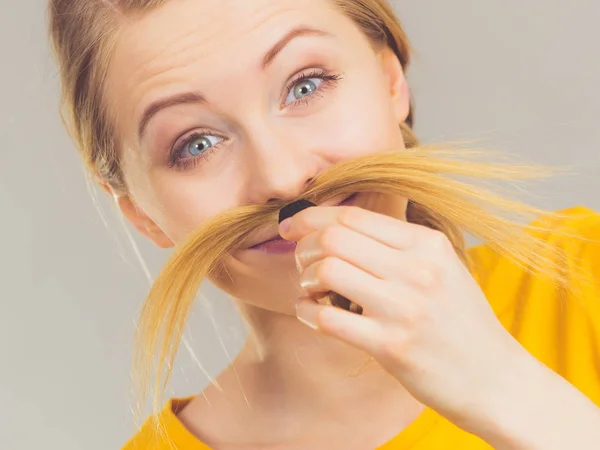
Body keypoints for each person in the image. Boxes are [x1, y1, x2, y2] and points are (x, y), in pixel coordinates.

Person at [48, 0, 600, 448]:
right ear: (144, 215)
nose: (284, 179)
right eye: (196, 144)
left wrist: (508, 391)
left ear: (390, 83)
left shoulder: (581, 272)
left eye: (305, 85)